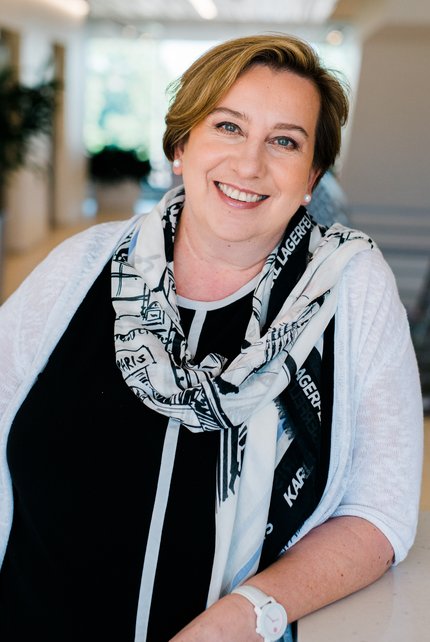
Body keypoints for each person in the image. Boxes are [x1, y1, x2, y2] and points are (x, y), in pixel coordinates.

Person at [0, 33, 423, 642]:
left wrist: (240, 620)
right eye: (228, 127)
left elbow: (378, 511)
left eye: (284, 141)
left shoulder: (350, 290)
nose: (249, 165)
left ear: (312, 177)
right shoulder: (84, 265)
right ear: (181, 145)